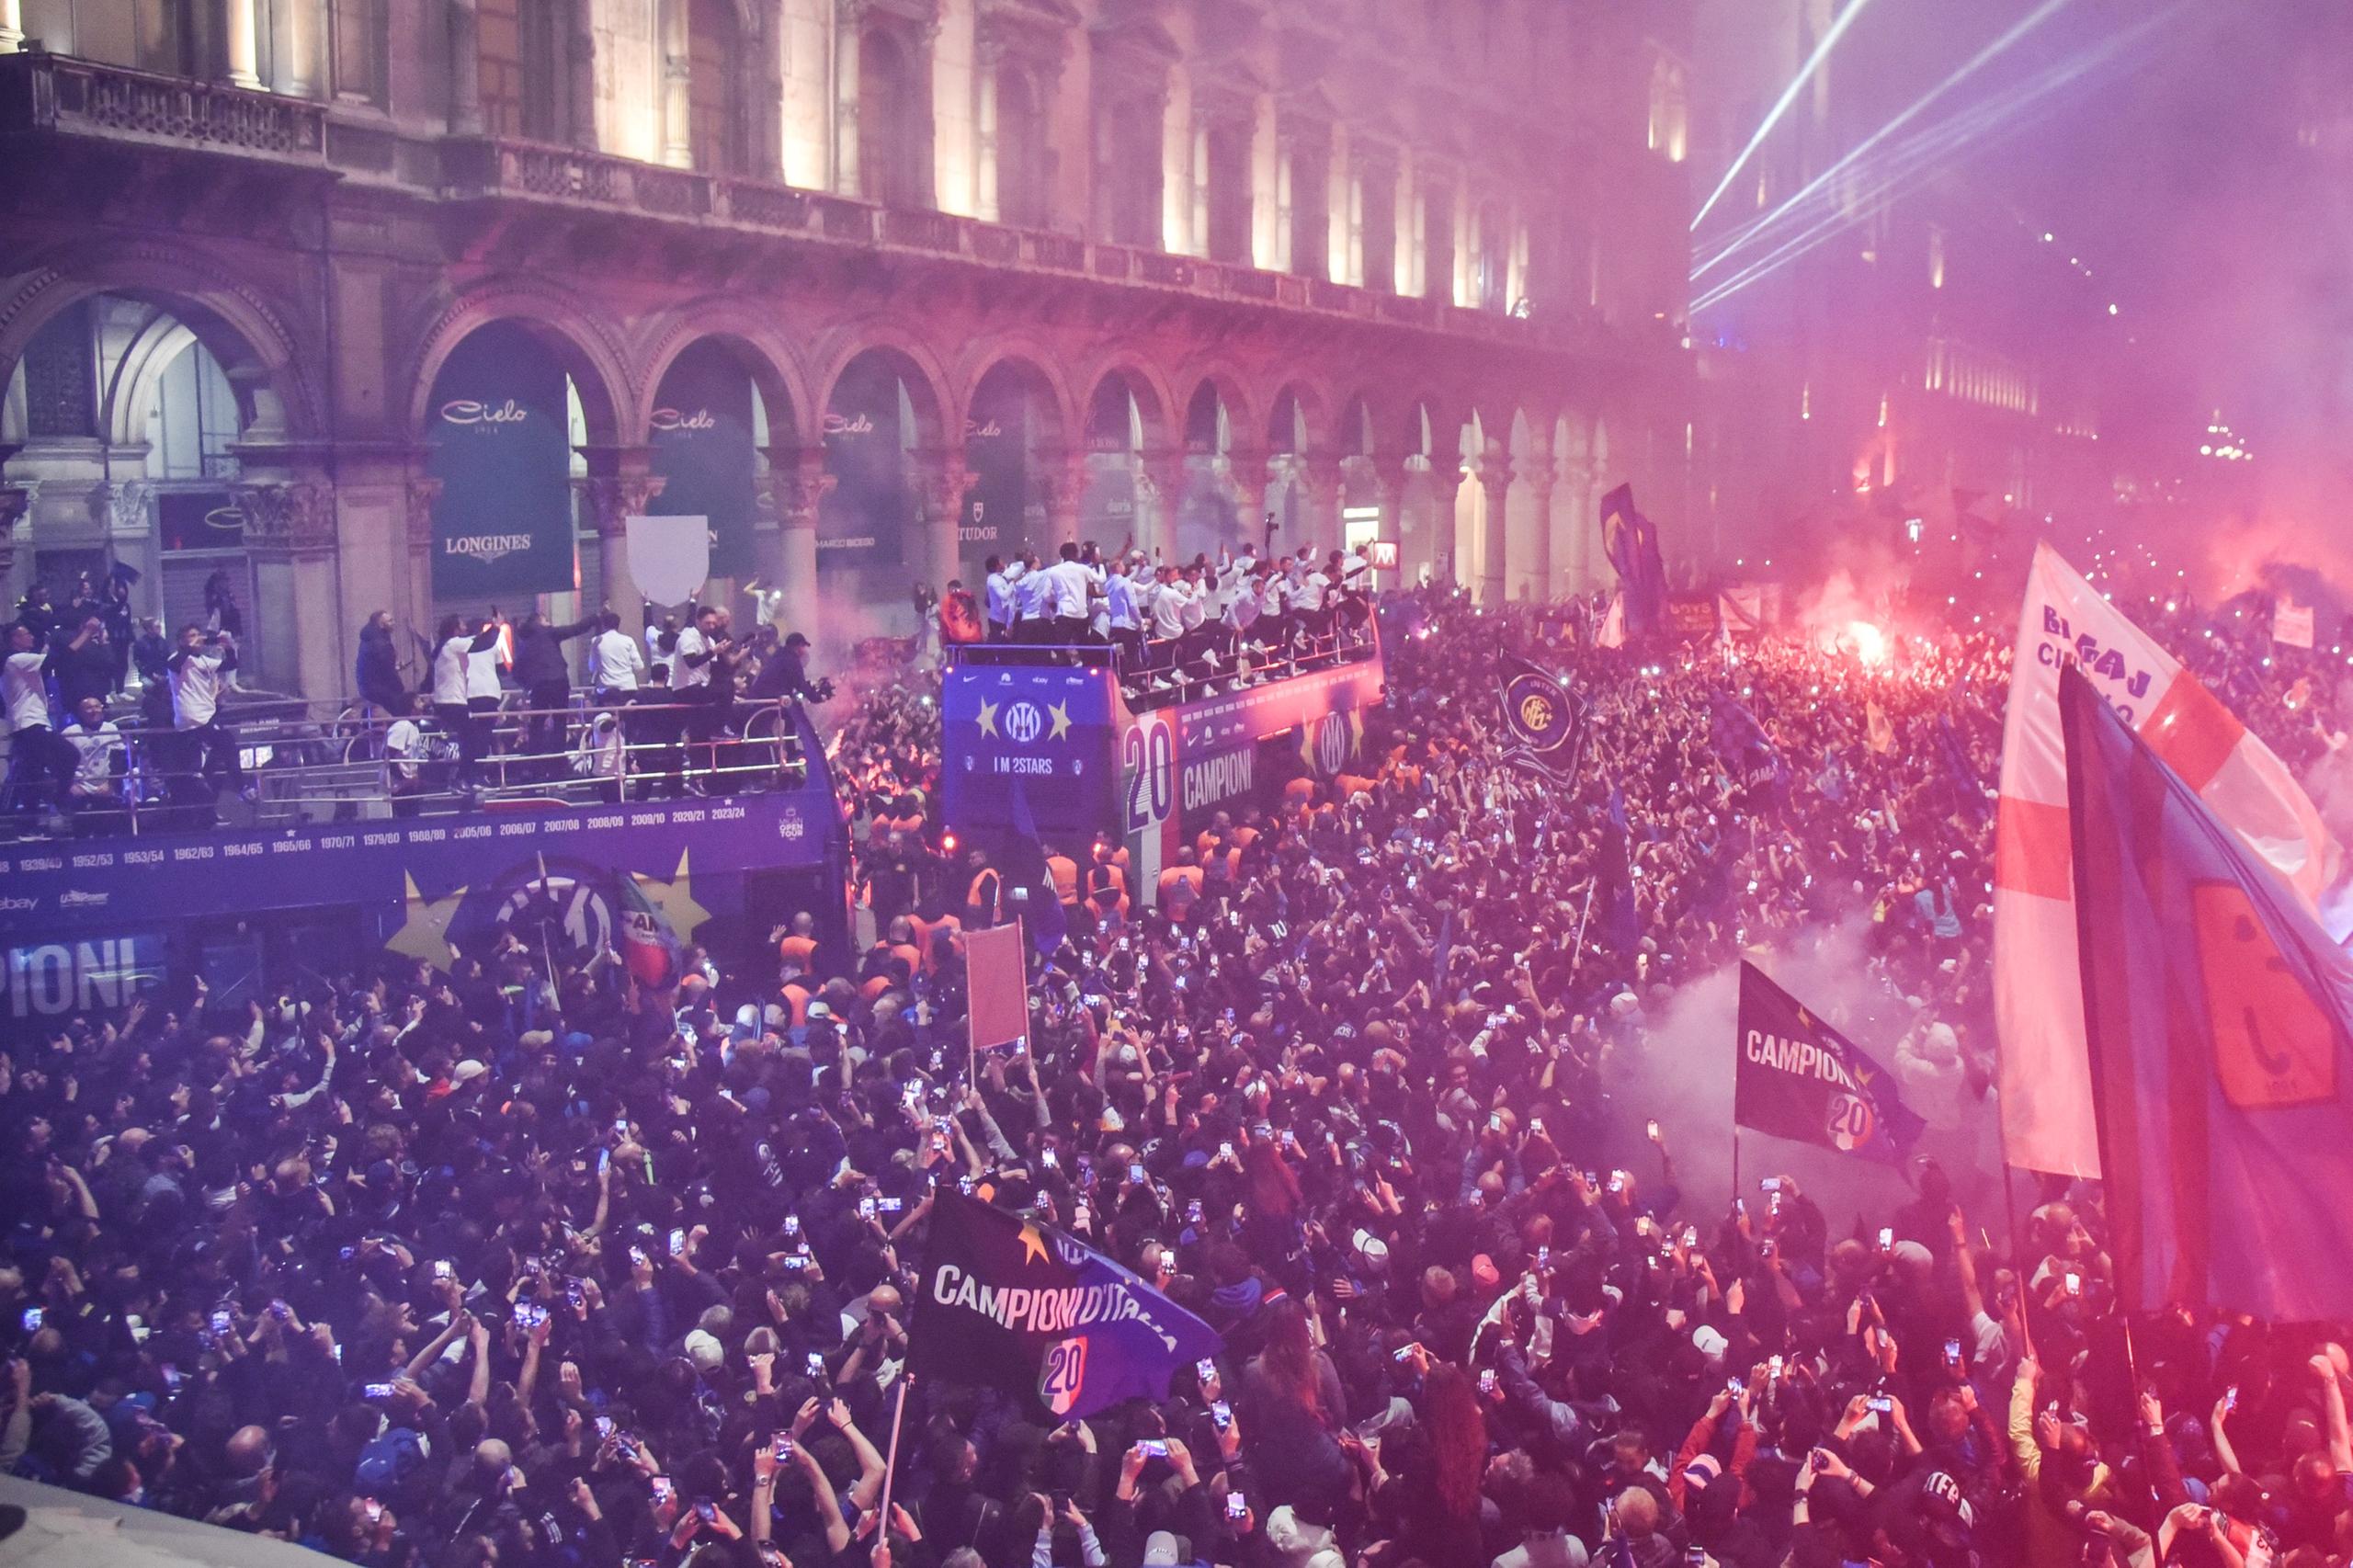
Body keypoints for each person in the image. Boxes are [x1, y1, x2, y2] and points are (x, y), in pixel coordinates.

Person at [165, 621, 243, 803]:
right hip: (193, 717)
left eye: (197, 635)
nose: (197, 639)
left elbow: (230, 664)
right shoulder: (177, 659)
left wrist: (229, 647)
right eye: (191, 636)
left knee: (218, 752)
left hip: (206, 714)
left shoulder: (204, 660)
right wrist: (189, 646)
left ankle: (206, 783)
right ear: (181, 641)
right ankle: (242, 787)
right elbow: (175, 665)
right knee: (226, 742)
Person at [509, 608, 597, 759]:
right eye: (546, 620)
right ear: (540, 622)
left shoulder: (525, 641)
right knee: (560, 722)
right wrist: (594, 617)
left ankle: (535, 762)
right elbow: (575, 629)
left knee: (537, 723)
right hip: (558, 681)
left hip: (538, 685)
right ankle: (557, 763)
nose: (549, 623)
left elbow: (516, 669)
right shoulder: (548, 632)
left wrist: (528, 685)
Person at [3, 621, 67, 822]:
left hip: (27, 723)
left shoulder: (17, 662)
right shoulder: (17, 659)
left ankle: (30, 824)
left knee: (32, 774)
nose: (31, 636)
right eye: (27, 633)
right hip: (30, 723)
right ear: (15, 639)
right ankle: (59, 801)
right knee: (68, 756)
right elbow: (52, 660)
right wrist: (83, 633)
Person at [429, 615, 500, 789]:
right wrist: (496, 627)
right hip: (452, 701)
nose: (465, 627)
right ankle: (461, 777)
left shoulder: (443, 647)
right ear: (455, 629)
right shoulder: (453, 644)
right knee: (473, 738)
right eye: (461, 624)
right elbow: (481, 643)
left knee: (468, 738)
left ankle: (464, 777)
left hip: (446, 700)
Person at [61, 694, 127, 833]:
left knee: (105, 830)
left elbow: (119, 758)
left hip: (105, 786)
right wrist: (71, 785)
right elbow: (59, 763)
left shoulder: (111, 728)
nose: (94, 710)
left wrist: (111, 783)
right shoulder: (70, 732)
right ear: (80, 712)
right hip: (81, 788)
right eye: (89, 708)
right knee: (81, 830)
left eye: (97, 706)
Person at [354, 608, 406, 716]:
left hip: (369, 687)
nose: (394, 623)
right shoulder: (380, 642)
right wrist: (399, 688)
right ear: (381, 624)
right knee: (401, 712)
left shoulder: (371, 639)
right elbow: (387, 670)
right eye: (390, 621)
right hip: (379, 688)